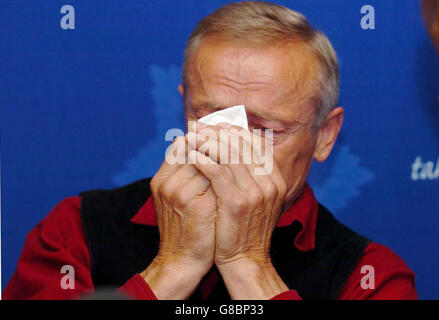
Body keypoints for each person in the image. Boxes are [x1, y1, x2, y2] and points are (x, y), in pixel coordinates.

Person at [4, 1, 417, 300]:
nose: (231, 148)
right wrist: (173, 268)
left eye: (265, 129)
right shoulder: (74, 231)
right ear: (183, 109)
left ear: (325, 135)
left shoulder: (371, 277)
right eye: (211, 118)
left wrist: (247, 264)